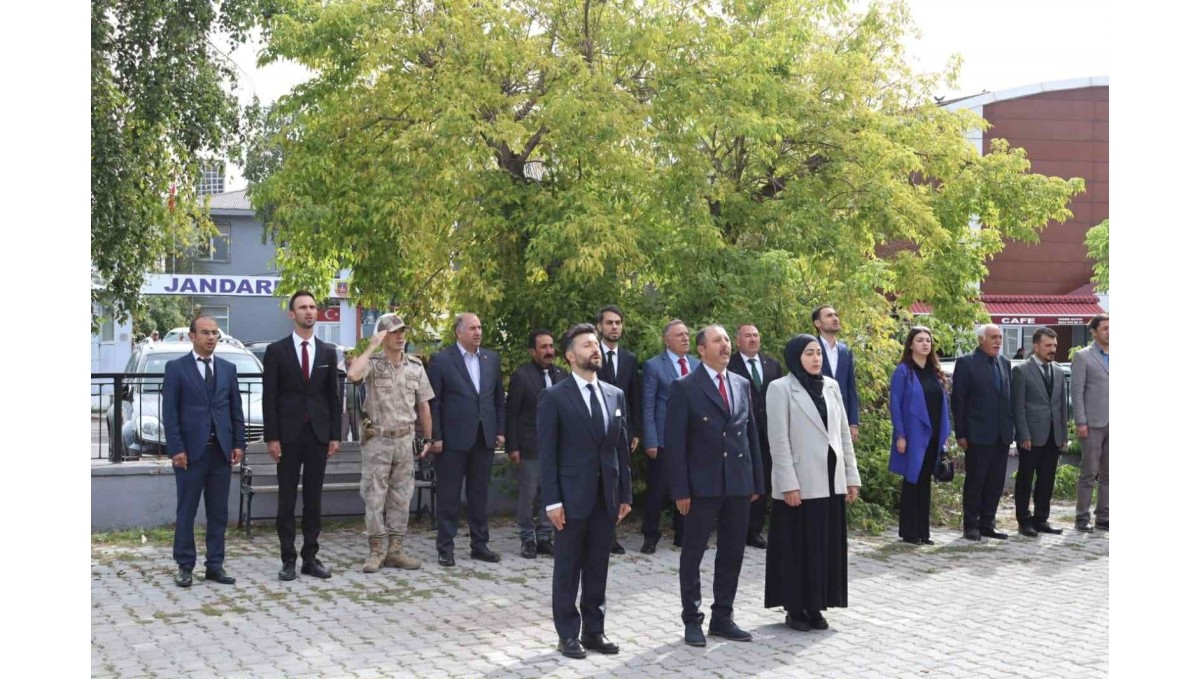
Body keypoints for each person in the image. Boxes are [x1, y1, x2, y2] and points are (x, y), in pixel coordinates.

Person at [665, 324, 764, 647]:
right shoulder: (684, 387)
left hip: (737, 482)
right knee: (693, 554)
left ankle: (723, 616)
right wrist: (680, 489)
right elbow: (675, 444)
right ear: (701, 350)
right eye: (717, 341)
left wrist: (756, 480)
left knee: (733, 552)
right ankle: (692, 620)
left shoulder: (741, 383)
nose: (724, 346)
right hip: (700, 486)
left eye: (726, 340)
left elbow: (751, 437)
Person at [538, 324, 633, 659]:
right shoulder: (554, 397)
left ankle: (595, 630)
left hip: (606, 496)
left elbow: (620, 448)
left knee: (597, 566)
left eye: (596, 344)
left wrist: (625, 494)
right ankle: (567, 634)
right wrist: (552, 500)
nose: (595, 349)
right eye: (587, 344)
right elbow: (547, 454)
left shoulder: (614, 394)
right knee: (568, 568)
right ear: (569, 355)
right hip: (570, 497)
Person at [764, 334, 861, 632]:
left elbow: (843, 434)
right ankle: (795, 608)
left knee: (825, 545)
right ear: (796, 357)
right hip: (799, 481)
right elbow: (778, 441)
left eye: (819, 353)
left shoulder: (831, 387)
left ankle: (817, 605)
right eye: (809, 353)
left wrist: (851, 476)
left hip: (830, 481)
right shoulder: (780, 389)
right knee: (798, 546)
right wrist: (787, 484)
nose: (816, 358)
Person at [263, 291, 343, 580]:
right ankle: (288, 559)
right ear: (291, 314)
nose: (309, 311)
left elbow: (333, 397)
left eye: (312, 307)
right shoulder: (276, 351)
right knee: (286, 500)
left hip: (318, 436)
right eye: (302, 307)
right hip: (287, 436)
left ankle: (311, 557)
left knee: (314, 498)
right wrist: (271, 437)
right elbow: (269, 397)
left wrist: (335, 435)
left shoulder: (327, 351)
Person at [161, 316, 246, 587]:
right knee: (187, 511)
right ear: (192, 336)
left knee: (219, 512)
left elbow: (235, 411)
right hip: (189, 454)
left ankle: (215, 565)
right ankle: (185, 566)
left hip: (220, 452)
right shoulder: (176, 369)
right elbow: (170, 414)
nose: (211, 338)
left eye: (215, 334)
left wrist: (238, 444)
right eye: (206, 333)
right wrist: (176, 449)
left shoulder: (228, 369)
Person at [346, 313, 434, 572]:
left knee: (401, 496)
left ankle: (395, 550)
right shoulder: (373, 363)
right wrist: (372, 345)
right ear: (383, 335)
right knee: (374, 497)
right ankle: (376, 551)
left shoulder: (415, 366)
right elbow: (353, 375)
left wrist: (427, 438)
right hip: (378, 440)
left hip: (405, 441)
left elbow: (424, 406)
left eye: (402, 331)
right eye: (394, 332)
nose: (400, 336)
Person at [427, 312, 506, 566]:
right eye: (472, 328)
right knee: (449, 495)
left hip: (483, 437)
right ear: (458, 332)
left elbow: (497, 399)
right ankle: (445, 547)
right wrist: (435, 435)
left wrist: (500, 431)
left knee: (479, 494)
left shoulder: (491, 359)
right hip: (451, 439)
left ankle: (479, 544)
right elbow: (434, 402)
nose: (478, 332)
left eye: (480, 327)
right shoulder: (441, 360)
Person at [505, 328, 568, 559]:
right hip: (530, 445)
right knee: (528, 494)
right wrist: (513, 446)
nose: (549, 351)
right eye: (544, 347)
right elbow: (511, 414)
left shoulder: (563, 374)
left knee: (550, 492)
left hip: (558, 446)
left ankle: (544, 536)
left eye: (551, 346)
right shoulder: (521, 376)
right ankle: (527, 537)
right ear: (533, 351)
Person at [639, 319, 699, 553]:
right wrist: (651, 439)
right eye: (679, 335)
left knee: (688, 487)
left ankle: (683, 534)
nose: (685, 338)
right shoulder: (654, 366)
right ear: (666, 340)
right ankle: (650, 535)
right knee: (657, 490)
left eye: (687, 334)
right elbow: (649, 405)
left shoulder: (696, 363)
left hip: (692, 439)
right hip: (664, 439)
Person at [950, 324, 1015, 541]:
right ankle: (971, 524)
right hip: (977, 434)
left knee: (996, 481)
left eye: (1000, 337)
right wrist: (961, 433)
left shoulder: (1004, 363)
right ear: (981, 340)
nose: (998, 341)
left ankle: (989, 522)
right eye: (993, 337)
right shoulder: (967, 363)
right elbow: (958, 400)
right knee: (976, 480)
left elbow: (1007, 400)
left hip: (1001, 434)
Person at [888, 327, 951, 545]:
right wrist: (900, 434)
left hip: (933, 434)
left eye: (928, 340)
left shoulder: (934, 372)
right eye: (920, 340)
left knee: (925, 481)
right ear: (911, 345)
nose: (925, 344)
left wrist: (945, 434)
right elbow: (895, 404)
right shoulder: (904, 371)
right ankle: (909, 531)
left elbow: (943, 405)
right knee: (912, 479)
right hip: (913, 434)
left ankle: (924, 532)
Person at [727, 323, 783, 548]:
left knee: (764, 478)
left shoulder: (773, 365)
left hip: (768, 431)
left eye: (756, 335)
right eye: (747, 336)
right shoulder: (730, 364)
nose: (753, 339)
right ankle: (735, 527)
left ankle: (755, 529)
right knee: (741, 478)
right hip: (740, 431)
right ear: (738, 340)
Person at [1012, 327, 1069, 537]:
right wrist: (1023, 434)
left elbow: (1062, 406)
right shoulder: (1021, 370)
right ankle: (1024, 520)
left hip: (1053, 435)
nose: (1052, 349)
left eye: (1054, 345)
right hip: (1031, 435)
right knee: (1025, 479)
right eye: (1048, 345)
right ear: (1035, 346)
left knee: (1047, 479)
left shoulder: (1059, 371)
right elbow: (1018, 406)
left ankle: (1041, 518)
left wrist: (1063, 434)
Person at [595, 305, 641, 555]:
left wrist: (634, 431)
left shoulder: (629, 359)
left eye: (618, 322)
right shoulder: (591, 356)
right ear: (599, 327)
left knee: (618, 481)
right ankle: (598, 533)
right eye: (610, 323)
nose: (614, 327)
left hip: (622, 431)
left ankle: (611, 535)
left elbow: (634, 398)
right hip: (597, 428)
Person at [1071, 314, 1109, 532]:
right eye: (1104, 328)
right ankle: (1081, 516)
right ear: (1094, 332)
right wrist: (1081, 421)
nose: (1109, 332)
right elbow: (1077, 392)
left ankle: (1103, 517)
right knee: (1089, 472)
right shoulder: (1083, 356)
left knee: (1109, 474)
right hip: (1092, 424)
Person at [813, 306, 861, 443]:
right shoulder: (811, 349)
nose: (835, 318)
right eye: (829, 316)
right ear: (818, 323)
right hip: (818, 416)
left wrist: (853, 422)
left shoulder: (845, 350)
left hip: (842, 416)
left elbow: (851, 387)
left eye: (836, 315)